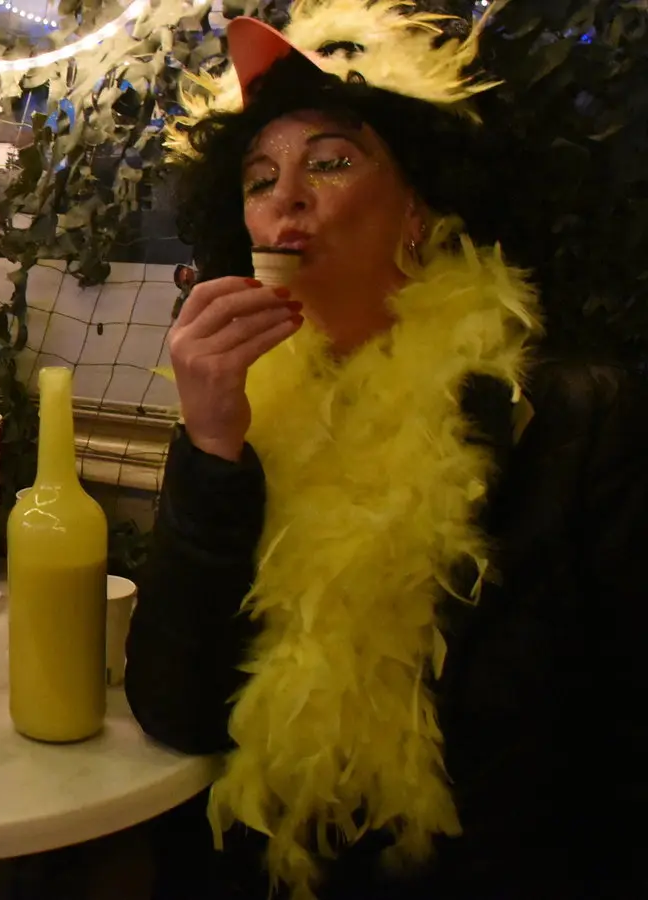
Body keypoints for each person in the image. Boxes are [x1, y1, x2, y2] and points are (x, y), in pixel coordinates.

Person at [128, 2, 647, 899]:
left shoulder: (567, 419)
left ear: (419, 205)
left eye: (330, 162)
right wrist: (210, 443)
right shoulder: (242, 411)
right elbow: (177, 712)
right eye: (259, 178)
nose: (286, 197)